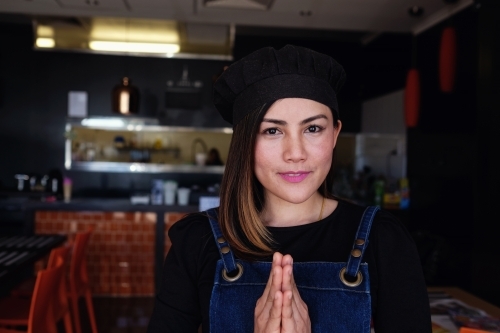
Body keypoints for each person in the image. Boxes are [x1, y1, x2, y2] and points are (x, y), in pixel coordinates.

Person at [147, 45, 432, 333]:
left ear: (334, 133)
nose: (295, 153)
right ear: (245, 142)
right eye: (272, 130)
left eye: (312, 129)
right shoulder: (197, 241)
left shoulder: (384, 240)